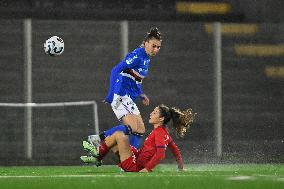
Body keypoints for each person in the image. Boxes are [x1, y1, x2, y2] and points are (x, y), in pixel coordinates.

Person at [88, 27, 163, 150]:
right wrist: (111, 94)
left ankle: (130, 159)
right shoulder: (138, 55)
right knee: (133, 127)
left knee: (140, 129)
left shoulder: (147, 58)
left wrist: (141, 93)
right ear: (146, 43)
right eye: (153, 46)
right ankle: (97, 139)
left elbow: (136, 78)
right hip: (121, 94)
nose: (155, 49)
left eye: (158, 47)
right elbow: (116, 69)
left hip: (128, 97)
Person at [81, 104, 196, 172]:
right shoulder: (162, 132)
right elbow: (175, 150)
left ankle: (97, 155)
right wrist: (181, 167)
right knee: (112, 139)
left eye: (155, 113)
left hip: (136, 166)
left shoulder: (160, 133)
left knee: (119, 135)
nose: (151, 114)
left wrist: (147, 169)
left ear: (161, 119)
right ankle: (98, 156)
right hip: (137, 157)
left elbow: (161, 154)